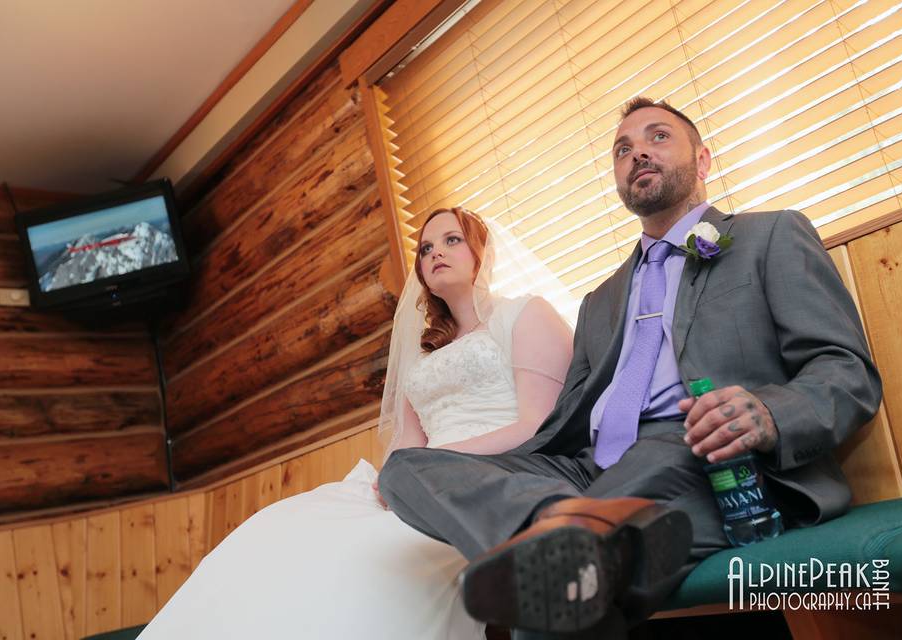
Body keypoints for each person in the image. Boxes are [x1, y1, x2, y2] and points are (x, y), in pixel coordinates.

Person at [378, 97, 883, 639]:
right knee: (406, 468)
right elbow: (564, 418)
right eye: (623, 149)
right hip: (587, 469)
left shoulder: (771, 236)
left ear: (704, 160)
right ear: (618, 178)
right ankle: (567, 526)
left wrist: (766, 412)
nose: (638, 151)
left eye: (658, 136)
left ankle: (574, 540)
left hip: (705, 451)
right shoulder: (600, 300)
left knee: (552, 602)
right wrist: (508, 471)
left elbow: (845, 370)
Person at [137, 207, 575, 640]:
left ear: (483, 252)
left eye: (451, 240)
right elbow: (407, 439)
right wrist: (393, 481)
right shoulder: (422, 354)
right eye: (425, 248)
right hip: (417, 475)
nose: (435, 253)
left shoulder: (524, 315)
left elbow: (538, 426)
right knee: (276, 535)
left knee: (367, 558)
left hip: (485, 481)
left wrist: (434, 464)